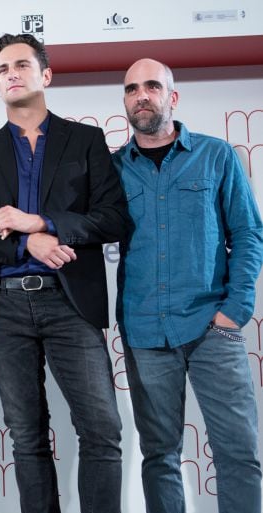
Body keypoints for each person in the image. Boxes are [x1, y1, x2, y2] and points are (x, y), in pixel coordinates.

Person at [0, 33, 128, 513]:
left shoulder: (84, 141)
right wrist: (27, 242)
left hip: (70, 302)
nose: (12, 75)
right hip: (6, 307)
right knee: (26, 436)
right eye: (3, 69)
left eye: (21, 65)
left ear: (45, 75)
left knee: (102, 430)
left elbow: (113, 219)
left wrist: (41, 222)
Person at [113, 58, 263, 513]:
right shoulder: (111, 168)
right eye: (132, 88)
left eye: (152, 86)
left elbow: (248, 234)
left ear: (172, 97)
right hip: (144, 332)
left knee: (239, 451)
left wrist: (234, 310)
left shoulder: (216, 155)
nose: (142, 95)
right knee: (159, 456)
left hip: (210, 326)